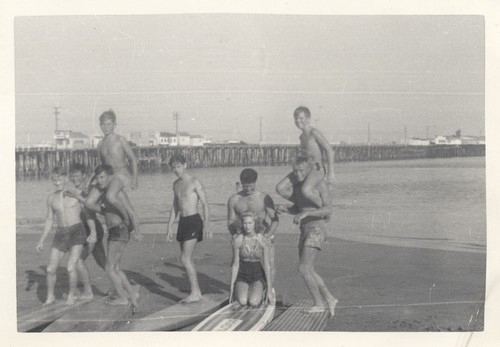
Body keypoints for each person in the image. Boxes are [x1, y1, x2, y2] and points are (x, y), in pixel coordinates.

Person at [276, 155, 338, 317]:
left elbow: (328, 209)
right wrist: (286, 209)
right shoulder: (297, 187)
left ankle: (319, 304)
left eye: (301, 170)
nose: (297, 174)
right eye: (294, 171)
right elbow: (299, 209)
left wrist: (305, 215)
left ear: (309, 170)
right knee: (308, 269)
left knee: (304, 268)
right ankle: (330, 299)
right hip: (305, 229)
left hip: (317, 229)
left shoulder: (319, 185)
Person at [88, 164, 142, 308]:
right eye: (98, 178)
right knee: (116, 267)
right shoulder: (106, 196)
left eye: (102, 177)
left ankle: (122, 297)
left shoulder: (117, 194)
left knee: (109, 267)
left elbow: (132, 213)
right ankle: (132, 296)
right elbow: (95, 207)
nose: (99, 181)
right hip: (115, 230)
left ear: (110, 177)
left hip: (119, 230)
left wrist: (137, 231)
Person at [36, 167, 88, 305]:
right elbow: (49, 220)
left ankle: (71, 295)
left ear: (65, 178)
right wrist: (42, 240)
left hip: (77, 231)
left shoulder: (77, 192)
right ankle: (50, 296)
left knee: (71, 266)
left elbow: (90, 207)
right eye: (54, 179)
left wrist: (93, 231)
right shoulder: (51, 198)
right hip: (61, 233)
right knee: (50, 269)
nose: (57, 182)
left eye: (60, 179)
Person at [166, 154, 211, 303]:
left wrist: (207, 224)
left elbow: (205, 203)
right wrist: (170, 227)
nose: (176, 170)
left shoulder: (194, 181)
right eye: (173, 168)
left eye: (178, 166)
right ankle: (196, 292)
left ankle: (195, 293)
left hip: (193, 221)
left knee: (184, 258)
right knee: (187, 259)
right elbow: (175, 207)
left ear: (185, 165)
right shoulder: (175, 184)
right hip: (183, 222)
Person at [227, 168, 279, 289]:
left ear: (255, 182)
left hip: (263, 234)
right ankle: (237, 289)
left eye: (251, 186)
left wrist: (267, 236)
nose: (249, 189)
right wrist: (235, 235)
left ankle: (269, 291)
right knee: (237, 263)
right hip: (244, 236)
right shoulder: (234, 200)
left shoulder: (264, 198)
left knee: (270, 263)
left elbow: (275, 220)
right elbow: (230, 222)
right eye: (246, 186)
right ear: (241, 183)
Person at [85, 109, 138, 227]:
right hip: (108, 176)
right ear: (100, 125)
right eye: (103, 124)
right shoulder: (100, 144)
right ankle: (109, 213)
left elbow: (133, 159)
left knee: (110, 196)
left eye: (109, 124)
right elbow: (100, 166)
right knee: (89, 202)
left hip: (121, 175)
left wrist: (135, 179)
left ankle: (126, 217)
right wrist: (90, 181)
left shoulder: (120, 140)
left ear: (115, 125)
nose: (106, 127)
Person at [276, 106, 335, 208]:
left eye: (301, 118)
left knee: (305, 190)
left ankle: (324, 208)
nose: (298, 121)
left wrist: (331, 172)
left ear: (308, 119)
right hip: (304, 168)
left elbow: (330, 151)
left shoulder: (314, 133)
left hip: (317, 169)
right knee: (280, 188)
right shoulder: (301, 136)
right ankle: (301, 205)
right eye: (296, 118)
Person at [229, 212, 274, 307]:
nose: (247, 226)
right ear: (241, 224)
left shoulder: (262, 240)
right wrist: (231, 288)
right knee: (242, 301)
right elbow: (235, 264)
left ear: (255, 224)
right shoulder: (238, 240)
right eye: (245, 223)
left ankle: (262, 290)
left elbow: (267, 265)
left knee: (253, 301)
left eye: (250, 223)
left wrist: (269, 290)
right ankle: (244, 290)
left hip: (257, 273)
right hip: (242, 273)